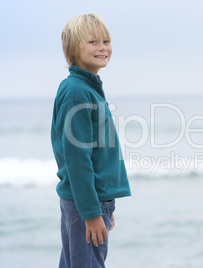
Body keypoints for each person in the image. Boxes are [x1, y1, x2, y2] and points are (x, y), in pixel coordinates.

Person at [51, 13, 131, 268]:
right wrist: (91, 212)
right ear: (74, 49)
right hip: (84, 203)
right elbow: (77, 159)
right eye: (93, 42)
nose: (102, 47)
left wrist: (103, 205)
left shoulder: (88, 87)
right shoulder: (77, 92)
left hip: (90, 201)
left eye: (106, 41)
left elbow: (95, 152)